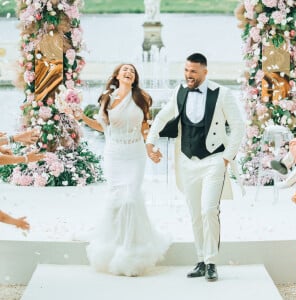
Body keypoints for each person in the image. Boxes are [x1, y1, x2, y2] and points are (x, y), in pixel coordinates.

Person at [146, 53, 245, 281]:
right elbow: (161, 117)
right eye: (186, 70)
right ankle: (201, 260)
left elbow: (238, 126)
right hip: (186, 161)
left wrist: (226, 157)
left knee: (209, 210)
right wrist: (150, 142)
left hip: (214, 160)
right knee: (194, 214)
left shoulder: (223, 94)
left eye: (193, 71)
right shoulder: (180, 91)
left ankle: (211, 262)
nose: (188, 75)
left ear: (205, 72)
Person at [79, 63, 170, 276]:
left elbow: (145, 128)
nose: (128, 72)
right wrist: (81, 118)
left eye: (132, 71)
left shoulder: (142, 97)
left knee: (130, 198)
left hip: (135, 154)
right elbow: (103, 127)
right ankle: (111, 246)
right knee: (114, 200)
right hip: (114, 155)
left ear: (134, 77)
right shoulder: (106, 99)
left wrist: (152, 150)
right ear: (117, 75)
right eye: (124, 70)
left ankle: (130, 251)